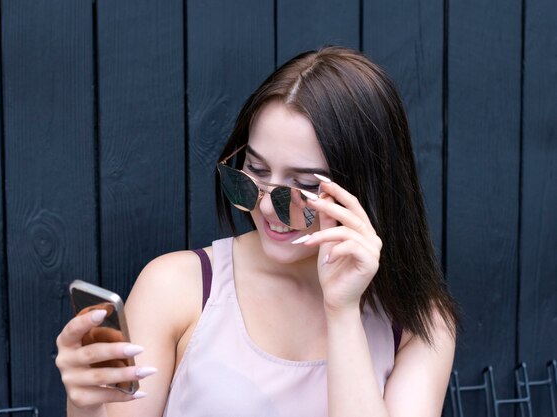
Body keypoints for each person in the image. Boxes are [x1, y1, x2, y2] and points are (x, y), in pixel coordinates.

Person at [55, 46, 458, 417]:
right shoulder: (178, 287)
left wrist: (342, 311)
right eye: (256, 173)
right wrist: (85, 402)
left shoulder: (418, 324)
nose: (265, 205)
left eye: (304, 185)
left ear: (369, 187)